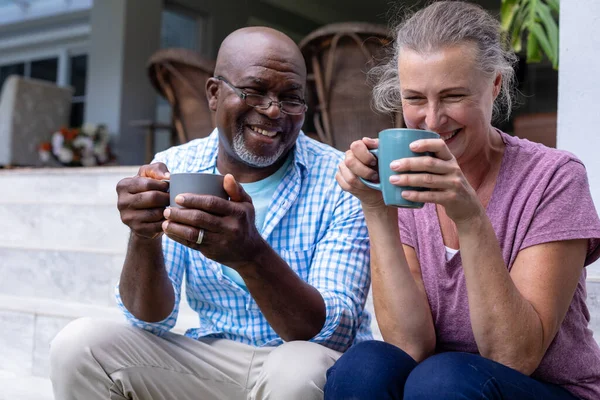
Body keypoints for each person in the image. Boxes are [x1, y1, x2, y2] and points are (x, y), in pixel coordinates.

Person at [49, 26, 372, 400]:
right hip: (211, 358)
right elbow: (149, 319)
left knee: (299, 370)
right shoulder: (175, 166)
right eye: (254, 91)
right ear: (214, 94)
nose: (272, 110)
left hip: (303, 362)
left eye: (291, 98)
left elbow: (333, 332)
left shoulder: (340, 180)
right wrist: (143, 236)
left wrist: (251, 256)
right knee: (79, 346)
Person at [325, 2, 600, 400]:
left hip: (546, 390)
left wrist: (470, 217)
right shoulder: (404, 175)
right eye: (415, 99)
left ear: (495, 85)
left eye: (453, 96)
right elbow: (409, 345)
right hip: (439, 385)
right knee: (362, 367)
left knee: (443, 378)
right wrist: (377, 208)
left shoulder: (554, 178)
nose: (433, 120)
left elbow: (513, 356)